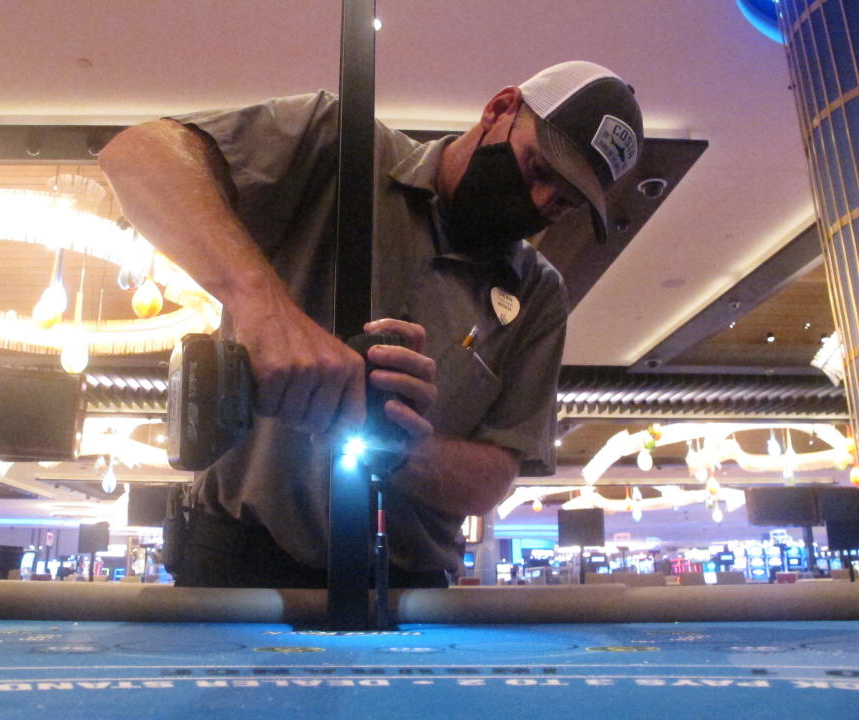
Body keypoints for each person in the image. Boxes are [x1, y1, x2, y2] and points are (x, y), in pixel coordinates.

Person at [98, 60, 644, 589]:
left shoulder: (539, 293)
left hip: (407, 590)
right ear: (500, 109)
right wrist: (262, 303)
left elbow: (492, 480)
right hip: (235, 563)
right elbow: (139, 156)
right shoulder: (342, 146)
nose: (543, 201)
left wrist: (390, 439)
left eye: (565, 203)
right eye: (539, 169)